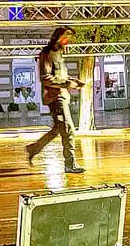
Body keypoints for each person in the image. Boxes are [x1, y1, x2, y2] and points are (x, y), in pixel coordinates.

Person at [25, 27, 86, 174]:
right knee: (68, 129)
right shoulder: (47, 54)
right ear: (58, 38)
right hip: (56, 98)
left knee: (59, 129)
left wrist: (74, 81)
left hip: (62, 96)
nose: (67, 42)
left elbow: (61, 76)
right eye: (66, 38)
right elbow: (46, 78)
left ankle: (35, 148)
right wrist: (65, 84)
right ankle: (69, 164)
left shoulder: (59, 54)